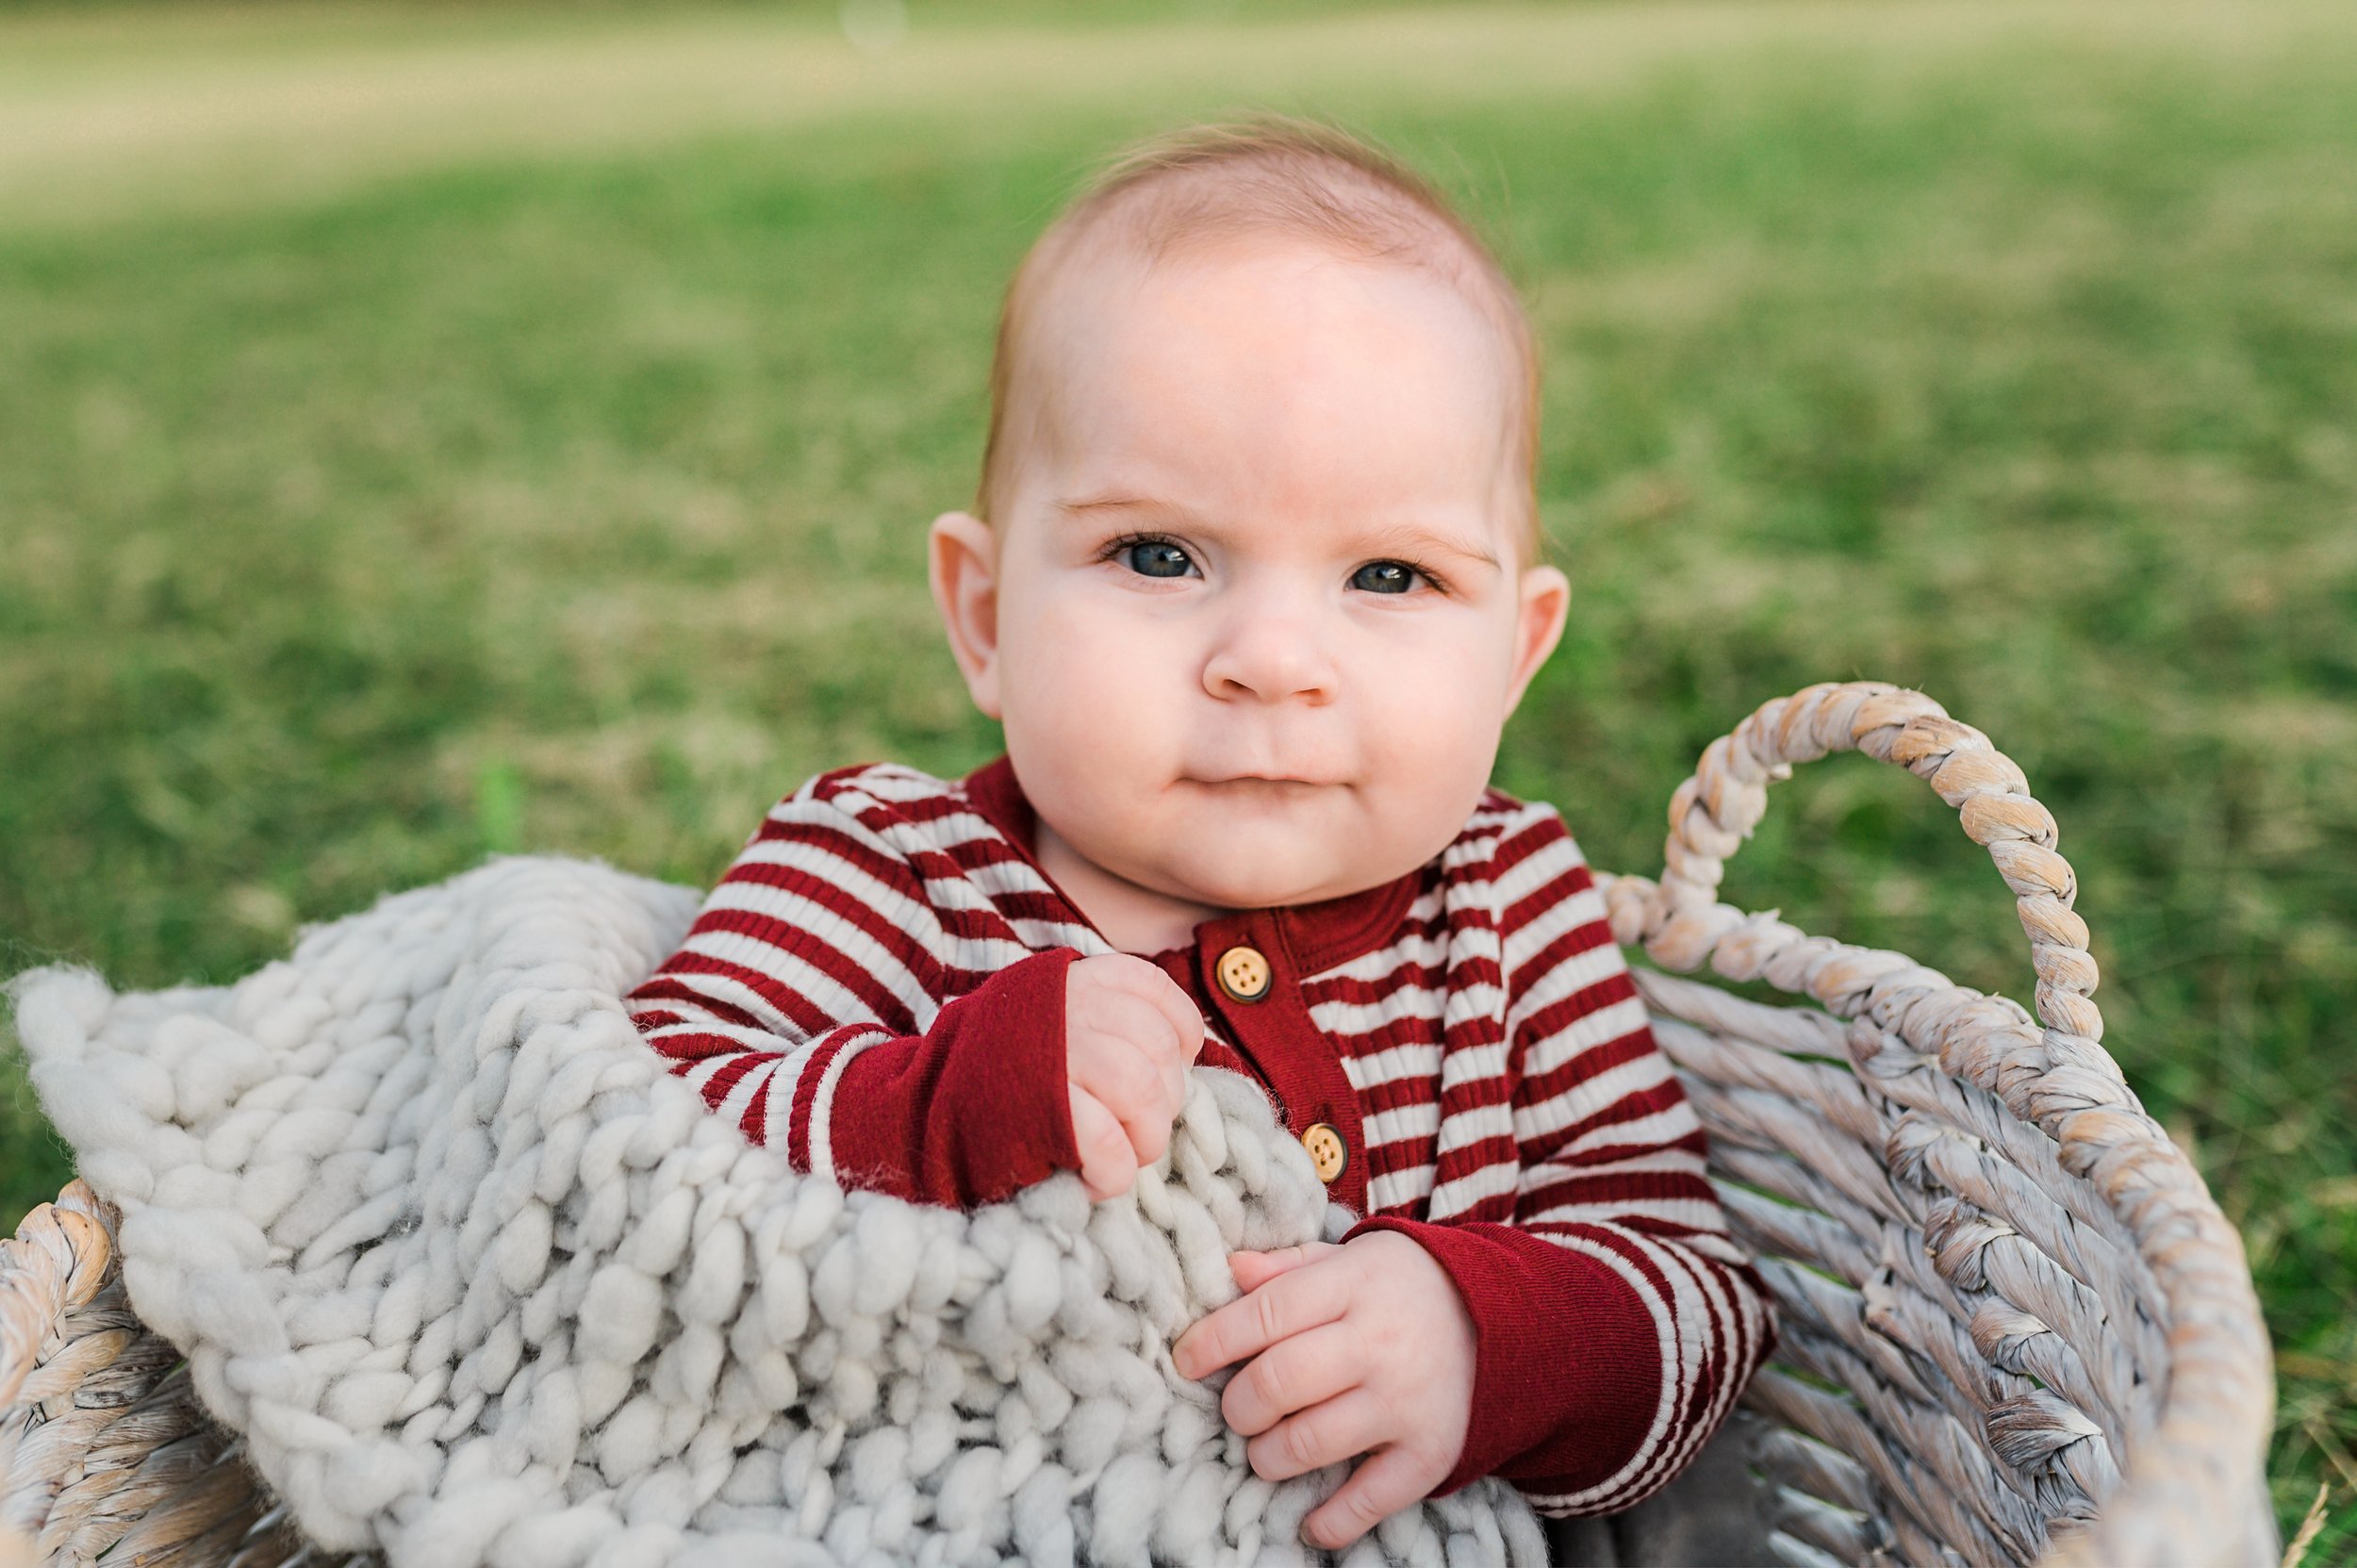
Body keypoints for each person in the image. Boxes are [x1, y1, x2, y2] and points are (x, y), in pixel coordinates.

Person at [622, 115, 1775, 1552]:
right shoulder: (888, 867)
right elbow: (634, 1155)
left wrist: (1483, 1339)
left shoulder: (1508, 905)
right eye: (1158, 556)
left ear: (1516, 654)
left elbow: (1698, 1293)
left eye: (1391, 574)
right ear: (985, 618)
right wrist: (948, 1097)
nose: (1272, 658)